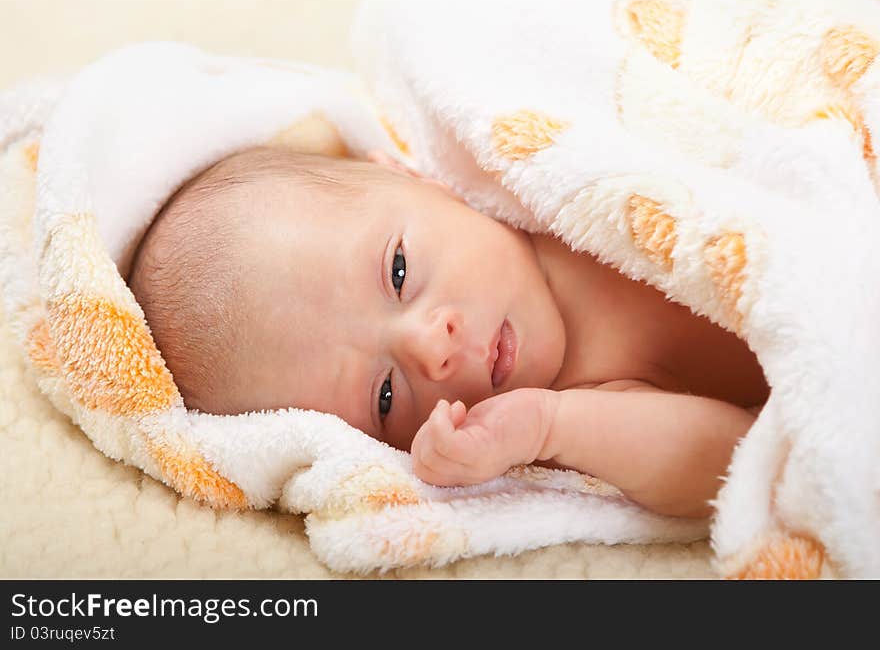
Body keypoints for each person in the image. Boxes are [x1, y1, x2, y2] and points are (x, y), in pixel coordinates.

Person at [128, 145, 769, 518]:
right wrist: (552, 424)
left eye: (399, 271)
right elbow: (732, 459)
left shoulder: (542, 168)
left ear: (418, 178)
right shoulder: (573, 400)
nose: (431, 345)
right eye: (384, 397)